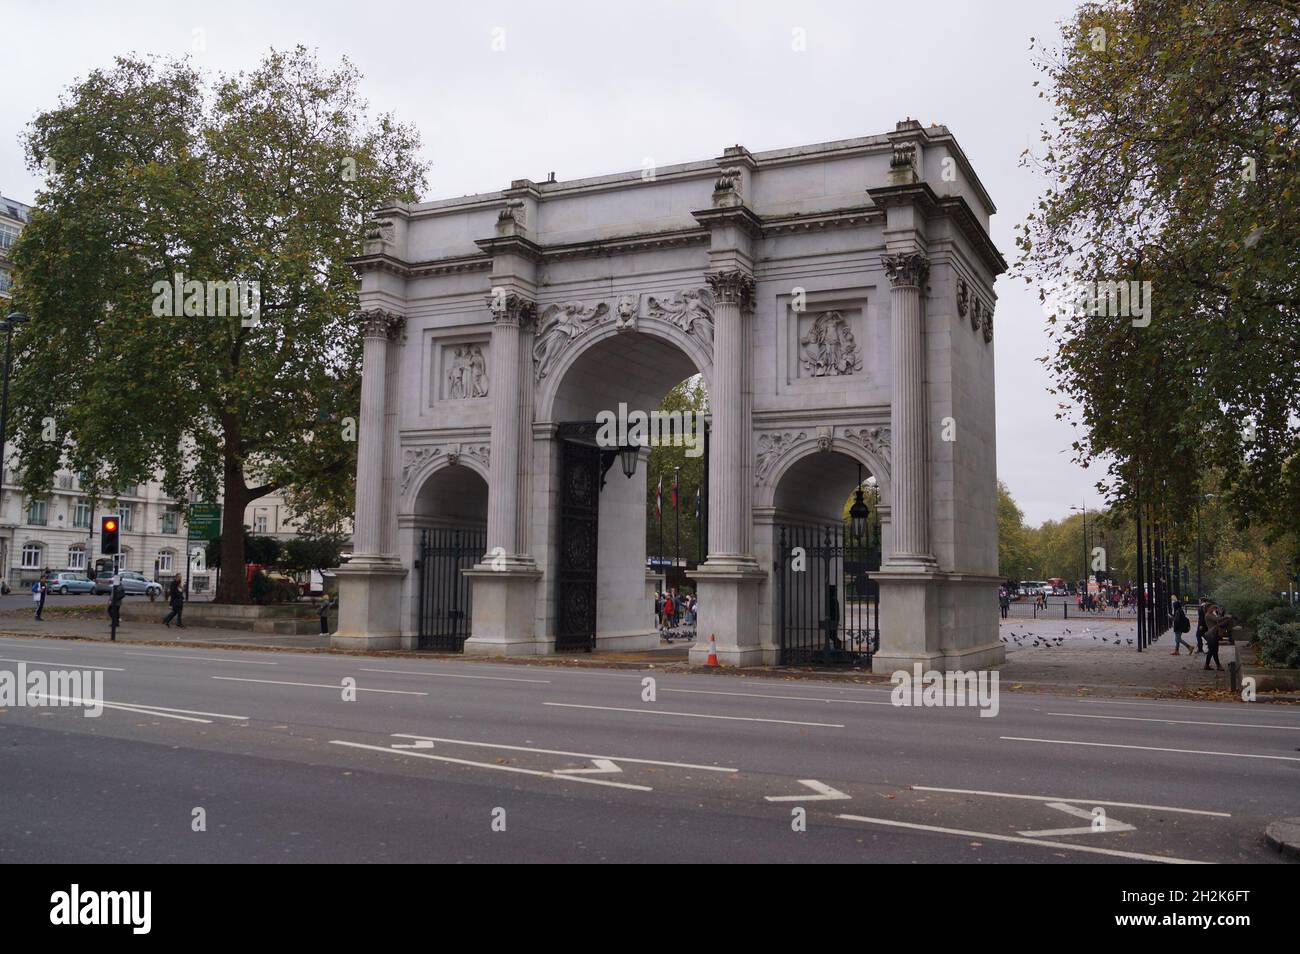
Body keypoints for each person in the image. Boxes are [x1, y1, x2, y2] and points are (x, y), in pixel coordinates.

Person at [1203, 601, 1228, 671]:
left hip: (1214, 634)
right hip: (1211, 635)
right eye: (1212, 608)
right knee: (1214, 650)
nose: (1213, 609)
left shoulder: (1211, 614)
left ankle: (1207, 665)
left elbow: (1218, 620)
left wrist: (1221, 613)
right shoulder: (1208, 615)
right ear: (1208, 608)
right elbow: (1218, 619)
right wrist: (1225, 616)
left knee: (1212, 651)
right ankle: (1218, 665)